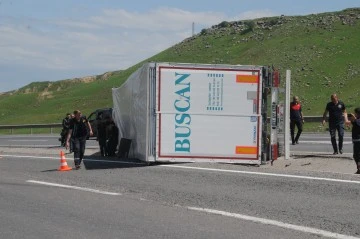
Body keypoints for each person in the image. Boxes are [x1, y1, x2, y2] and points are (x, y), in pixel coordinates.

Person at [348, 108, 360, 174]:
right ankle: (359, 169)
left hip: (358, 141)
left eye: (355, 113)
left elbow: (357, 123)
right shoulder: (357, 120)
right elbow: (353, 122)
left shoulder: (358, 121)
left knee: (357, 155)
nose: (354, 114)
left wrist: (354, 118)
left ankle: (359, 169)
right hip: (356, 141)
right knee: (356, 156)